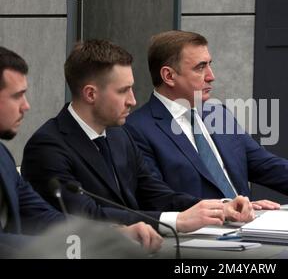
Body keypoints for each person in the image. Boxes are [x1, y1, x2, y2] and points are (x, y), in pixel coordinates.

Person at [21, 40, 254, 236]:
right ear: (91, 93)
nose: (133, 100)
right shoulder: (48, 147)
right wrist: (177, 221)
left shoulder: (119, 134)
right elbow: (88, 215)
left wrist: (220, 208)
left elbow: (155, 193)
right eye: (123, 91)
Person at [124, 30, 288, 205]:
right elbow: (156, 199)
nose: (211, 76)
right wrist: (227, 208)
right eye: (200, 67)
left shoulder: (217, 112)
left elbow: (266, 165)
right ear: (169, 76)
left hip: (249, 229)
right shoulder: (137, 130)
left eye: (210, 64)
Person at [0, 46, 162, 256]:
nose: (26, 106)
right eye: (17, 96)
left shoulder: (3, 156)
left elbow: (43, 216)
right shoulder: (47, 145)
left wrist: (113, 234)